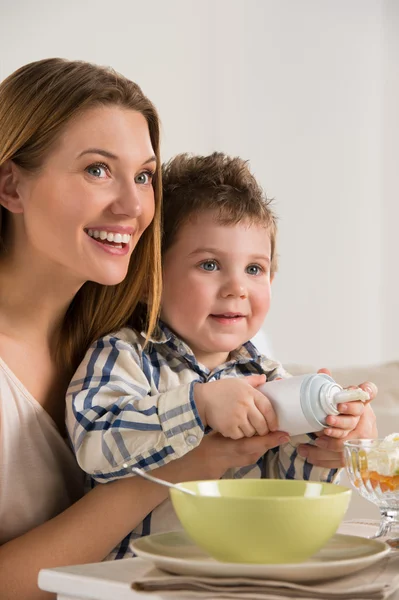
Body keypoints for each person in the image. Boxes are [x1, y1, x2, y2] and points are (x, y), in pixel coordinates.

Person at [0, 60, 289, 600]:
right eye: (97, 170)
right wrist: (192, 458)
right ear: (11, 185)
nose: (134, 207)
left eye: (143, 176)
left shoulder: (152, 342)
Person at [66, 152, 378, 559]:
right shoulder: (125, 354)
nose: (237, 288)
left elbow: (287, 487)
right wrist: (198, 406)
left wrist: (334, 442)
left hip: (232, 576)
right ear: (150, 279)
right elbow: (94, 444)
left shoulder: (269, 378)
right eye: (210, 264)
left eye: (255, 269)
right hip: (136, 581)